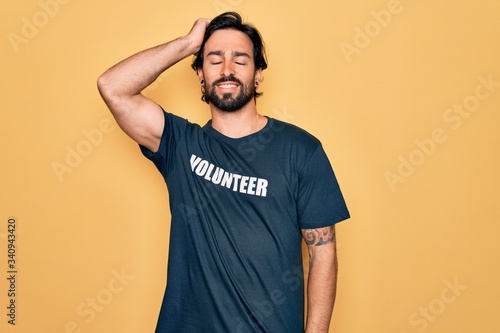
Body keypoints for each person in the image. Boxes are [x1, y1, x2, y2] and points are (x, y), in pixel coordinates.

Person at [97, 11, 349, 333]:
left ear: (258, 74)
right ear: (200, 74)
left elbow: (322, 252)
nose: (227, 70)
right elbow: (112, 86)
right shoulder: (180, 144)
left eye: (240, 60)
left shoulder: (301, 150)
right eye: (214, 60)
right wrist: (188, 43)